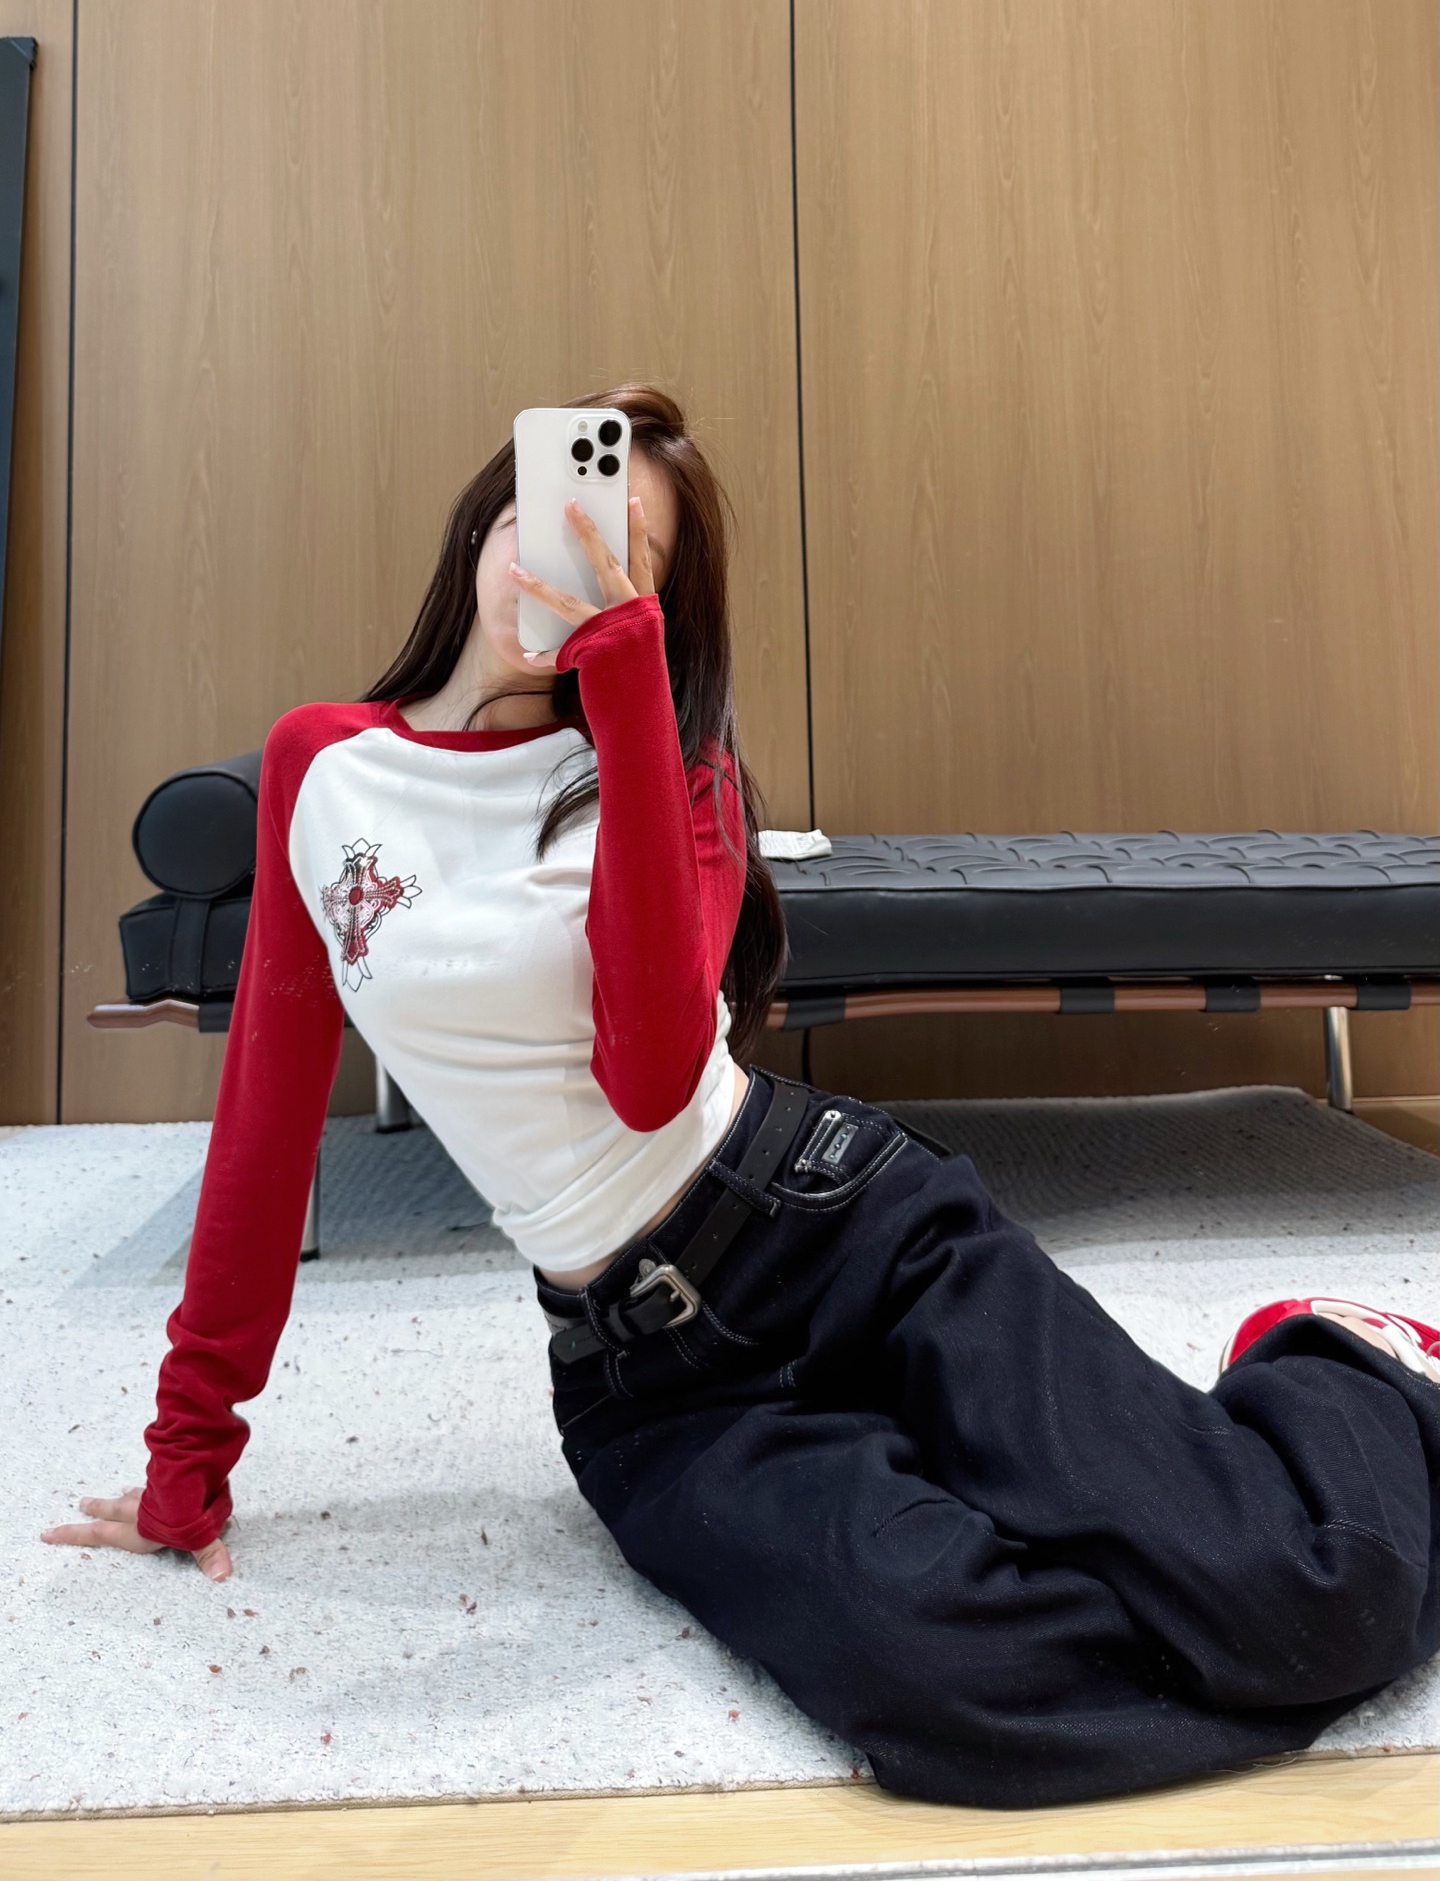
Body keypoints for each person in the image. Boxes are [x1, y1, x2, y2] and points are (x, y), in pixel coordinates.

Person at [43, 384, 1440, 1810]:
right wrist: (187, 1454)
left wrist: (629, 689)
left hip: (849, 1238)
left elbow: (651, 1078)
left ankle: (1339, 1363)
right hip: (657, 1390)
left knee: (1313, 1601)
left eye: (627, 556)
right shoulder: (323, 767)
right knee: (964, 1690)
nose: (570, 562)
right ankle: (1009, 1494)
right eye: (550, 515)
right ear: (482, 525)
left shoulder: (675, 771)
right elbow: (263, 1132)